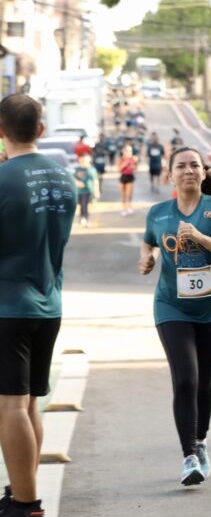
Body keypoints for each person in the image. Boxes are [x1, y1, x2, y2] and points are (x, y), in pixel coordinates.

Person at [138, 146, 211, 486]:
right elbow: (148, 242)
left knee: (203, 380)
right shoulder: (158, 212)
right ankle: (188, 455)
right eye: (181, 166)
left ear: (203, 173)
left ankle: (200, 442)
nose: (188, 170)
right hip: (171, 305)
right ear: (170, 174)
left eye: (194, 166)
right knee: (184, 377)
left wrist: (200, 237)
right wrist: (148, 257)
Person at [0, 93, 77, 517]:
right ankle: (19, 489)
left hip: (8, 304)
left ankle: (26, 503)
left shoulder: (3, 178)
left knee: (10, 404)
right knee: (30, 403)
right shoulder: (64, 177)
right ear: (41, 130)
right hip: (49, 302)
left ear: (0, 131)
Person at [73, 154, 100, 227]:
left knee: (85, 205)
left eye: (87, 161)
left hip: (87, 191)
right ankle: (82, 217)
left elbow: (95, 181)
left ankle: (85, 218)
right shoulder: (77, 169)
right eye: (84, 160)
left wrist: (96, 191)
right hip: (79, 191)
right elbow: (73, 178)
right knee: (81, 205)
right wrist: (78, 183)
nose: (85, 162)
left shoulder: (91, 169)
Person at [117, 144, 138, 216]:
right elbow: (118, 169)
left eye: (130, 151)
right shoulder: (121, 159)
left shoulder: (133, 159)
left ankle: (129, 206)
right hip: (123, 176)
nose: (128, 152)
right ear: (123, 151)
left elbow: (135, 169)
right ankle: (124, 209)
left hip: (130, 176)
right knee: (123, 194)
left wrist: (135, 164)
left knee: (129, 194)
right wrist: (125, 164)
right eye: (127, 151)